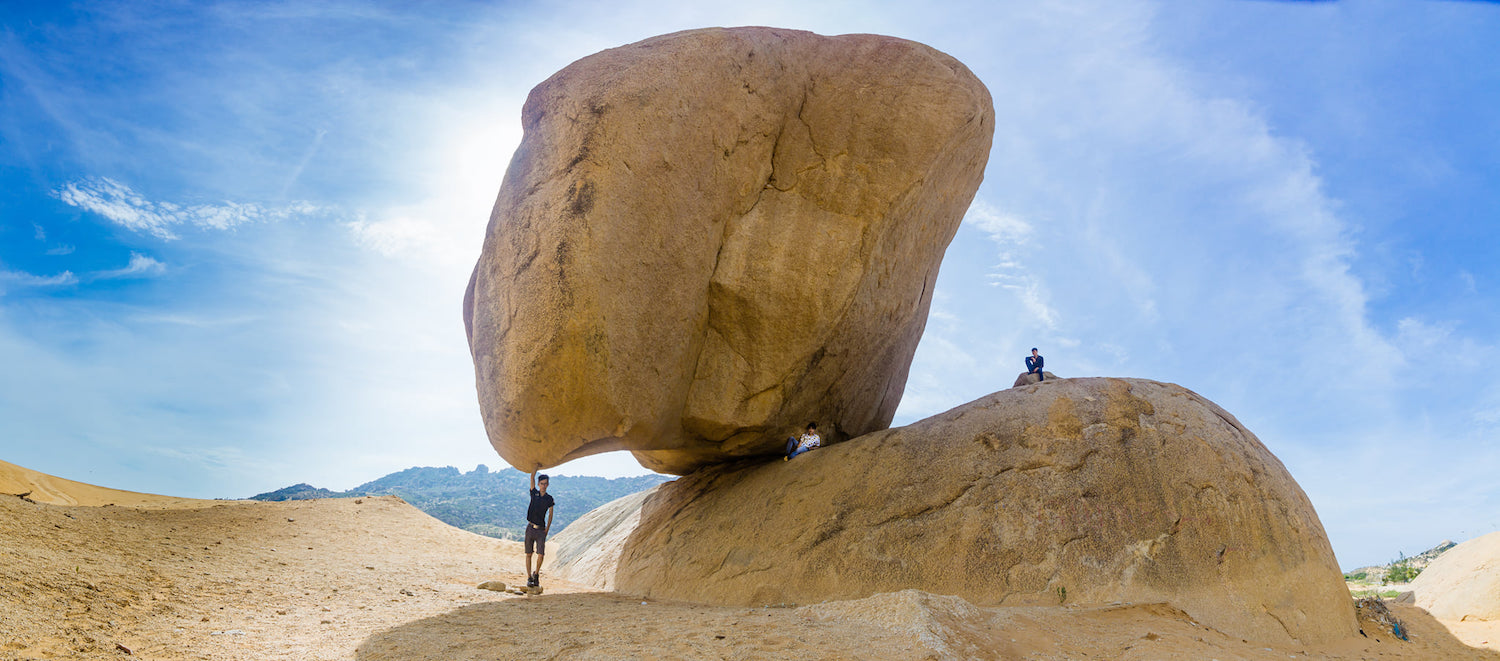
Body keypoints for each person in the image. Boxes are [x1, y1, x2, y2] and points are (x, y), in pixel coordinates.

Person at [524, 470, 555, 588]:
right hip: (530, 527)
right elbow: (531, 479)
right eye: (542, 483)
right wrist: (534, 469)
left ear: (548, 485)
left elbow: (551, 514)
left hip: (541, 529)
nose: (543, 485)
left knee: (541, 554)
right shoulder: (534, 494)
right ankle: (529, 578)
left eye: (545, 483)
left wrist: (547, 529)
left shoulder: (549, 499)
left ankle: (536, 574)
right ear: (538, 484)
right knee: (528, 554)